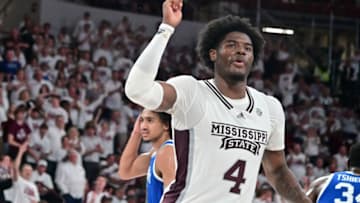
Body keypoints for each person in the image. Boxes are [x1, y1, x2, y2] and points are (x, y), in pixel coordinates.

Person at [124, 0, 311, 202]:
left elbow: (277, 171)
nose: (241, 51)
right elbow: (137, 90)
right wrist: (166, 28)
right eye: (231, 45)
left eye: (247, 48)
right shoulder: (192, 91)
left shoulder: (270, 108)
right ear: (213, 53)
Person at [119, 110, 175, 203]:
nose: (143, 126)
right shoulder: (155, 153)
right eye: (142, 120)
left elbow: (173, 198)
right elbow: (125, 171)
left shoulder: (167, 152)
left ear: (165, 125)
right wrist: (136, 132)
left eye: (150, 120)